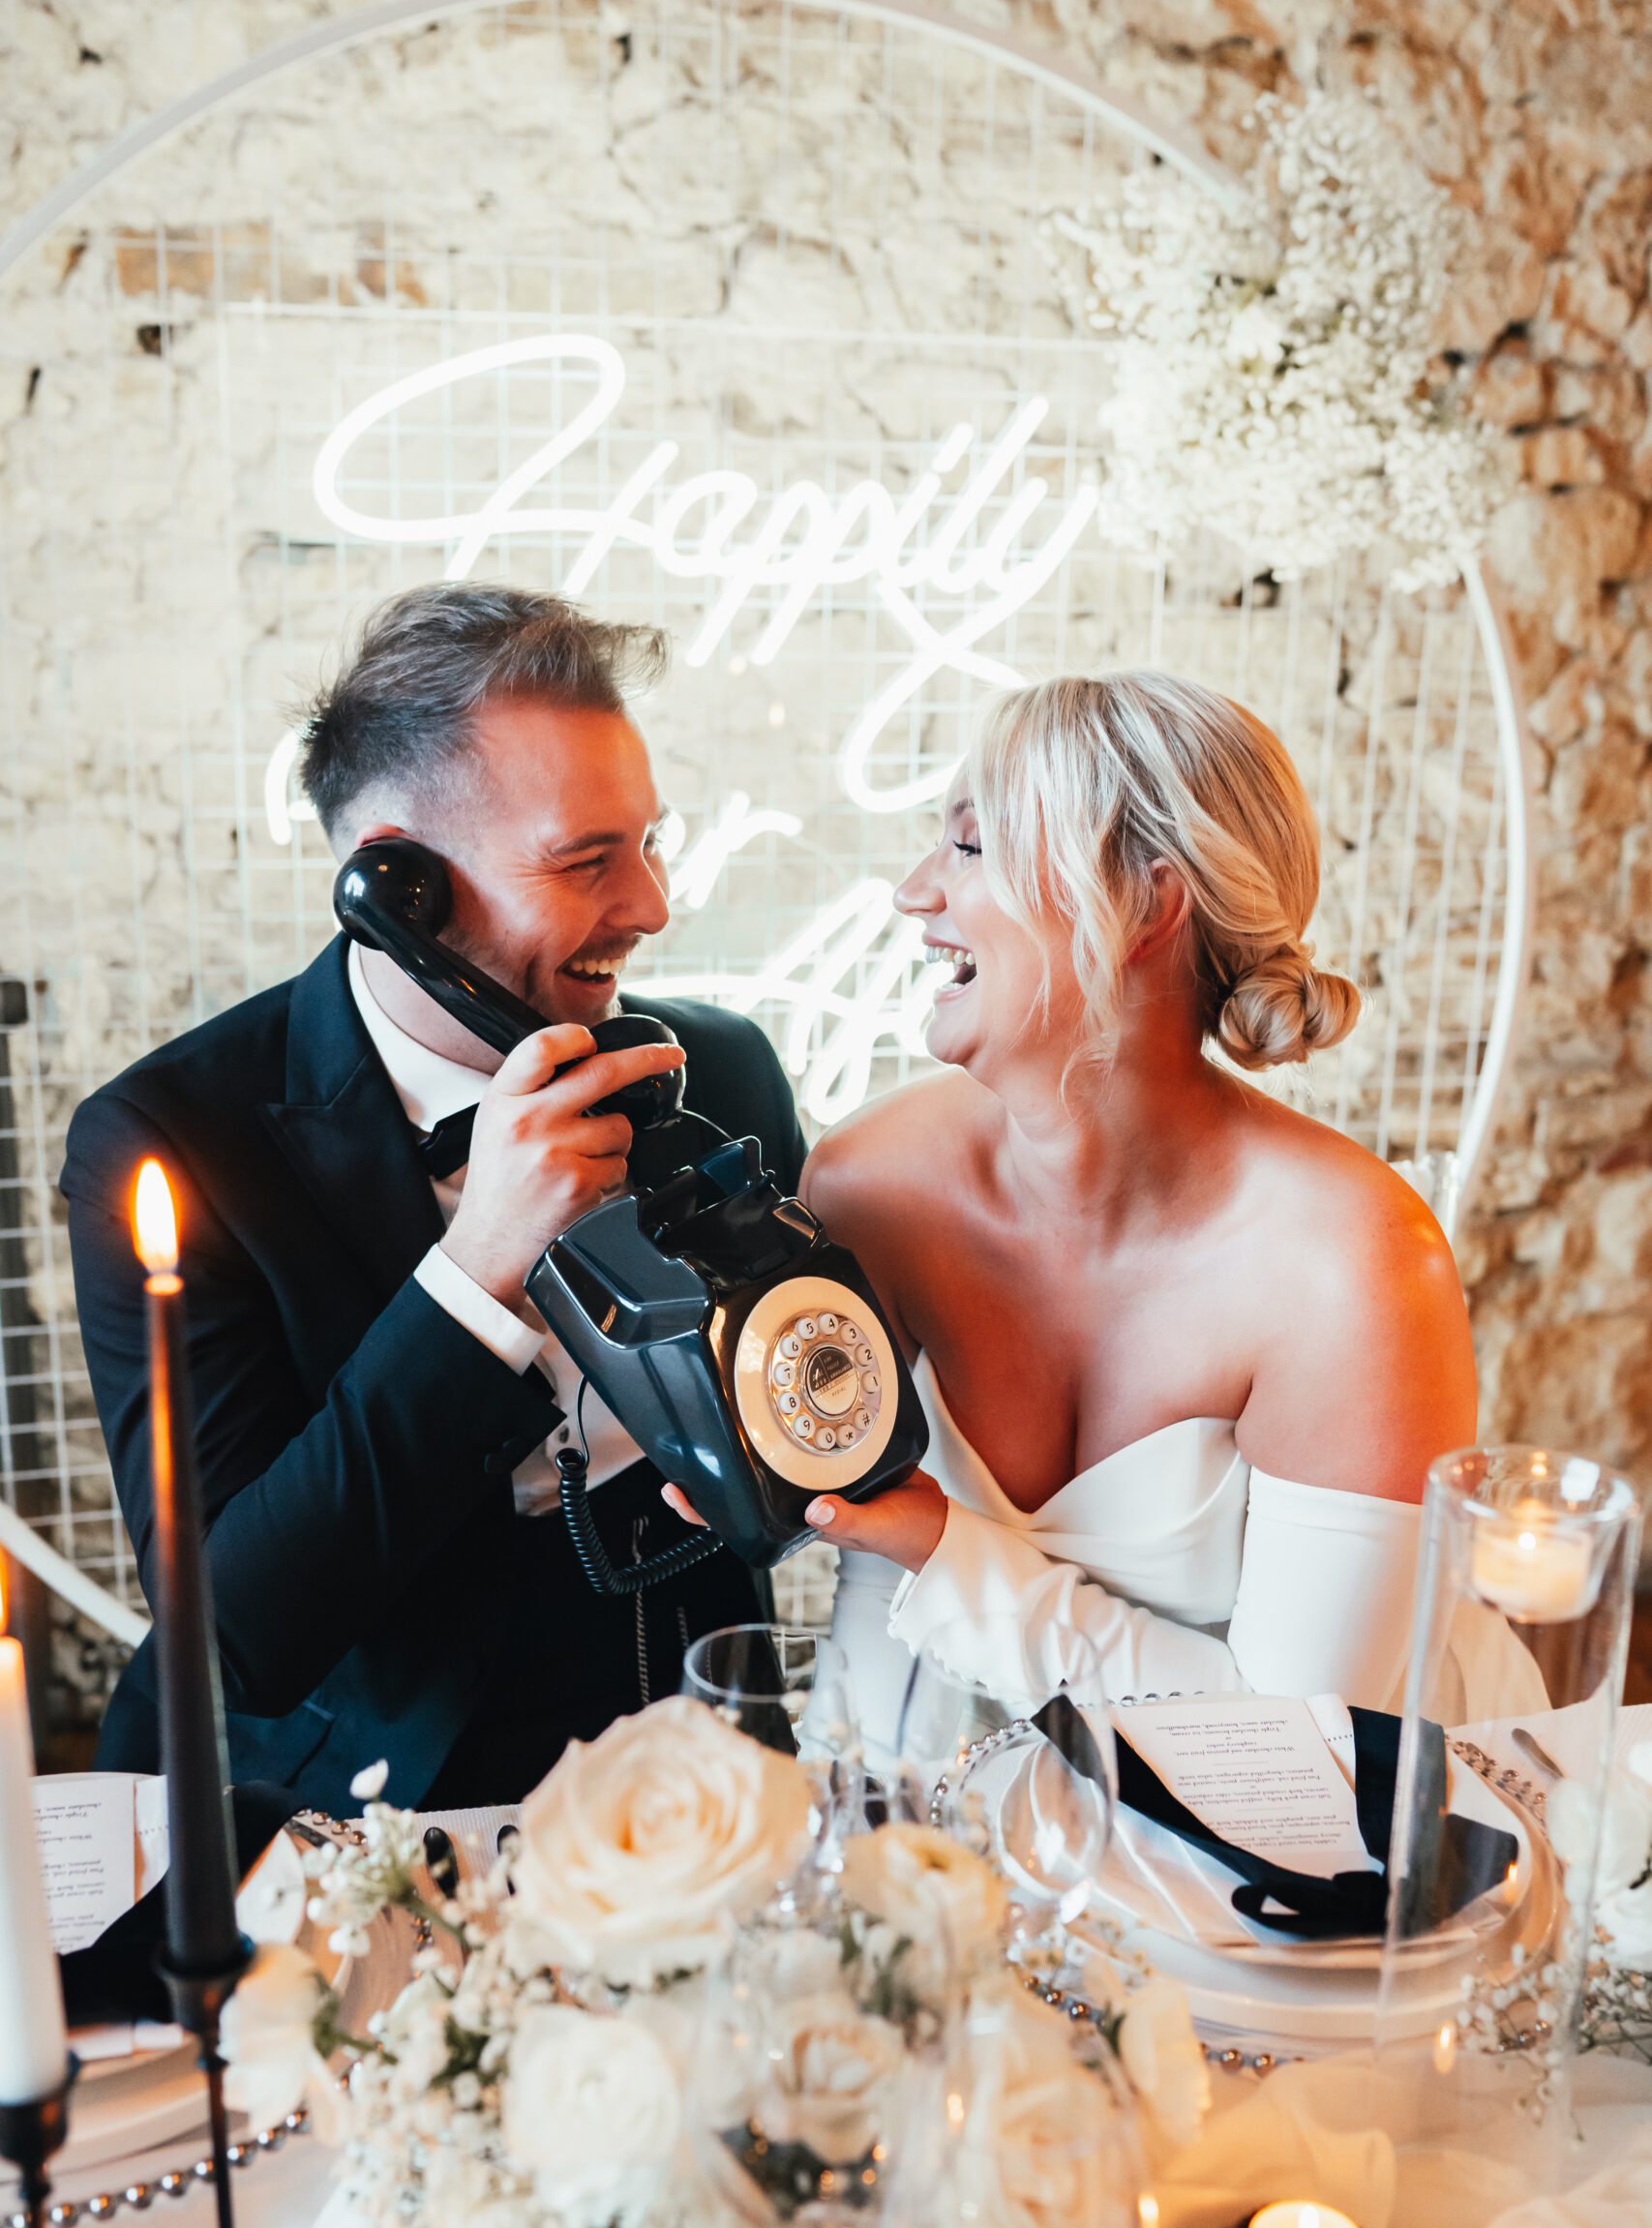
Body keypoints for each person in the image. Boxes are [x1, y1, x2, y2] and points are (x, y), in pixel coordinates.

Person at [667, 670, 1529, 1738]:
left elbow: (1306, 1754)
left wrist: (946, 1549)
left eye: (970, 846)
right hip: (984, 1788)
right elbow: (877, 1591)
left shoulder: (1354, 1266)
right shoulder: (867, 1185)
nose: (915, 892)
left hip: (1330, 1823)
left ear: (1147, 906)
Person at [64, 585, 805, 1811]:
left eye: (650, 843)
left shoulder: (719, 1074)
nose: (651, 906)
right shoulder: (168, 1146)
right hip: (348, 1793)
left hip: (689, 1737)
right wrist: (478, 1269)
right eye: (587, 860)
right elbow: (235, 1634)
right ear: (394, 883)